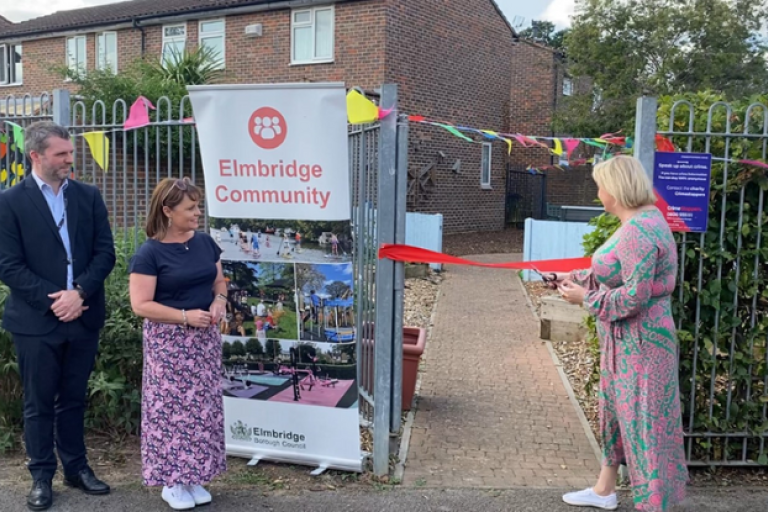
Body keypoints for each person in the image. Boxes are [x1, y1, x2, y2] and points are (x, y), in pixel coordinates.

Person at [551, 156, 688, 511]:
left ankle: (652, 504)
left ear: (615, 189)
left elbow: (635, 296)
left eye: (600, 185)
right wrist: (577, 280)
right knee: (615, 413)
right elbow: (618, 273)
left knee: (645, 422)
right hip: (627, 343)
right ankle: (604, 490)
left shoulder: (639, 230)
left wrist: (586, 298)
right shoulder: (641, 221)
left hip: (641, 343)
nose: (598, 193)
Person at [0, 121, 116, 511]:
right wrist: (55, 301)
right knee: (38, 402)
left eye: (70, 151)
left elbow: (105, 254)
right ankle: (41, 475)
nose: (71, 158)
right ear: (36, 155)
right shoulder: (9, 202)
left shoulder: (88, 196)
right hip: (36, 321)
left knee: (73, 398)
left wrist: (79, 292)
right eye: (61, 153)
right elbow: (8, 265)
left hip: (83, 314)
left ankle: (76, 467)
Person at [128, 177, 228, 510]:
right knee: (171, 412)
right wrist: (184, 316)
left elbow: (218, 281)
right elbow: (141, 305)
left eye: (198, 205)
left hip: (204, 340)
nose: (198, 212)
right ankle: (172, 480)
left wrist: (219, 301)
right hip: (169, 344)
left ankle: (193, 475)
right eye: (191, 208)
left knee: (202, 409)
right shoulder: (150, 252)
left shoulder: (205, 243)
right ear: (168, 211)